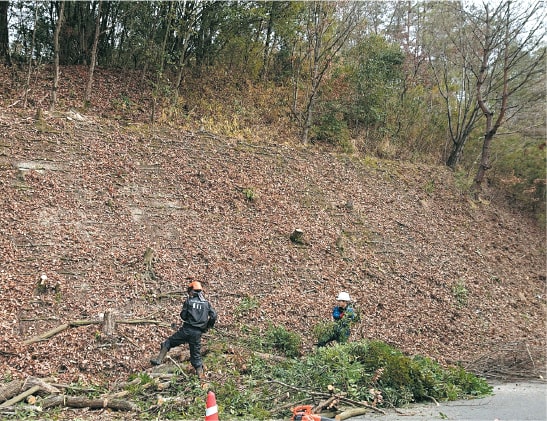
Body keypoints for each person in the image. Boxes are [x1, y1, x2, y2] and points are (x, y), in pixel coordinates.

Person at [150, 280, 217, 377]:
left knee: (168, 342)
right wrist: (207, 326)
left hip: (186, 330)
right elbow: (214, 316)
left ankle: (158, 360)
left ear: (192, 291)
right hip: (197, 333)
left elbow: (183, 316)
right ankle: (201, 379)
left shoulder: (189, 301)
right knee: (196, 357)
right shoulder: (206, 304)